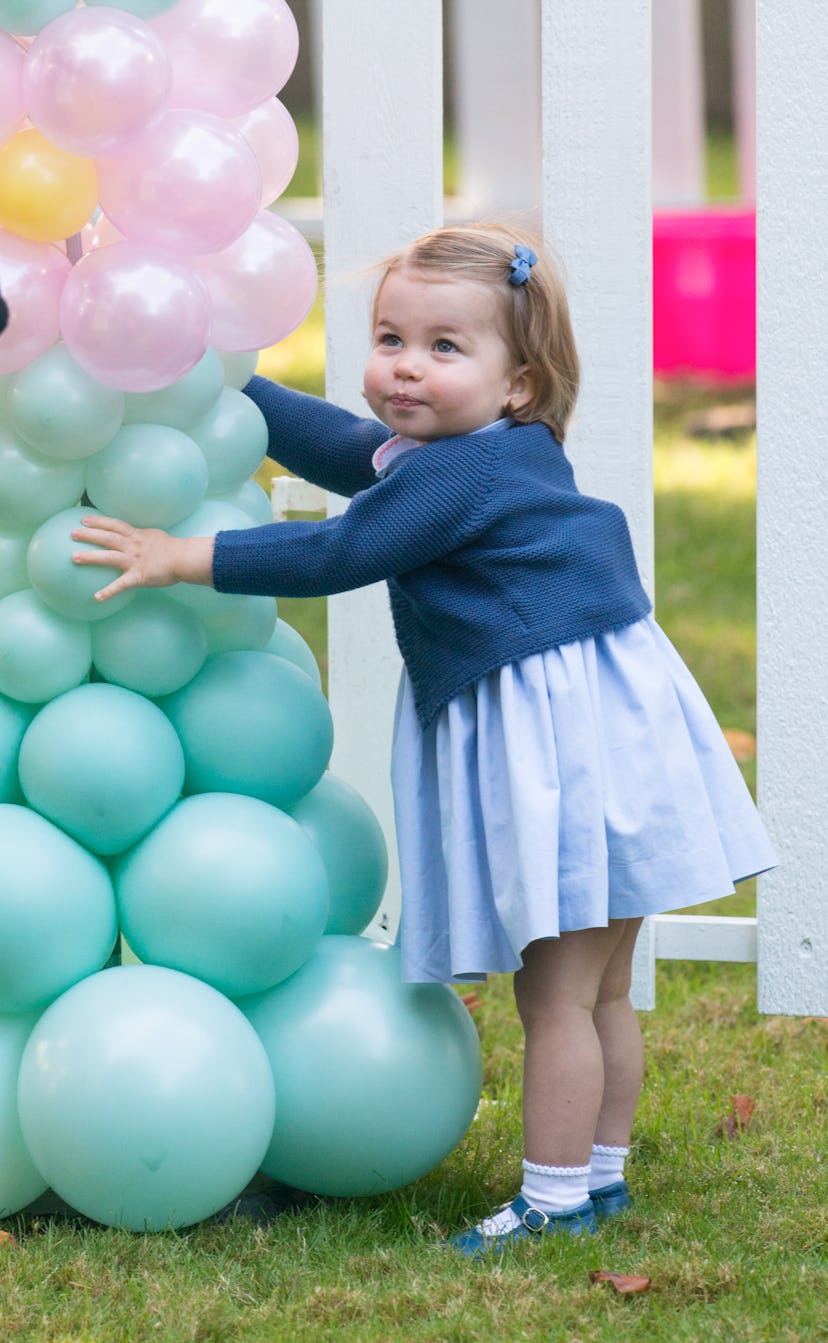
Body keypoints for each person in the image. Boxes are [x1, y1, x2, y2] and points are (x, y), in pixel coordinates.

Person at [72, 222, 777, 1257]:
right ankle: (603, 1171)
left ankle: (554, 1195)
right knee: (600, 986)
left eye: (445, 347)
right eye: (391, 336)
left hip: (564, 746)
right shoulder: (480, 452)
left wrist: (185, 553)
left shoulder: (459, 478)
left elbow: (342, 547)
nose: (405, 365)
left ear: (519, 385)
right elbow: (332, 444)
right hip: (606, 731)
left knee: (557, 993)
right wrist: (218, 375)